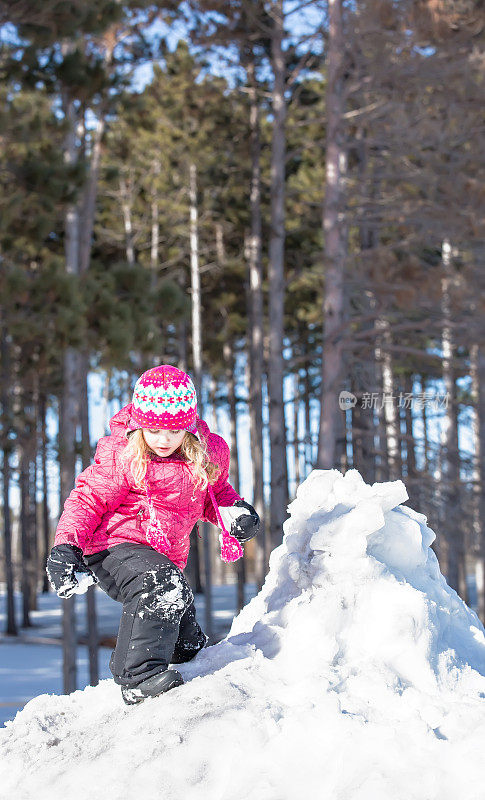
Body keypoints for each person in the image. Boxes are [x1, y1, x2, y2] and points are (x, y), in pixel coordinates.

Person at [46, 365, 260, 705]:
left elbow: (215, 496)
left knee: (185, 639)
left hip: (162, 559)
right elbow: (88, 499)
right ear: (140, 424)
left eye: (173, 432)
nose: (162, 441)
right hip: (111, 548)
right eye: (154, 430)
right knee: (161, 584)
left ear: (188, 426)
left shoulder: (205, 455)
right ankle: (137, 677)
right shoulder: (122, 455)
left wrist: (234, 513)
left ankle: (182, 664)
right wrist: (65, 547)